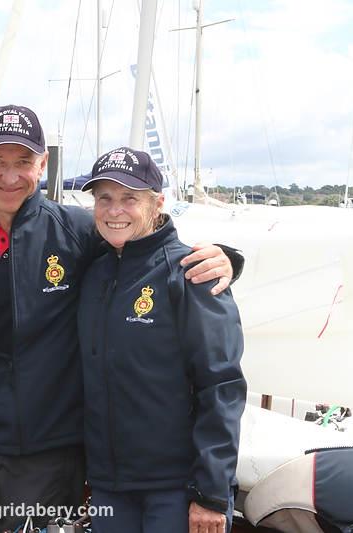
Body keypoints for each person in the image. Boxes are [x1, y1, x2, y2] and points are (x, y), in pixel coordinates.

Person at [0, 105, 243, 533]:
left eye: (23, 162)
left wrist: (226, 260)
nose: (10, 176)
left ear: (43, 164)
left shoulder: (78, 232)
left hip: (50, 449)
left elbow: (145, 246)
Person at [77, 147, 246, 533]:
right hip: (109, 486)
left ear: (157, 204)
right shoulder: (94, 272)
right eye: (105, 198)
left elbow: (221, 385)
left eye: (129, 199)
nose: (114, 210)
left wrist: (211, 492)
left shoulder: (190, 274)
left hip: (177, 489)